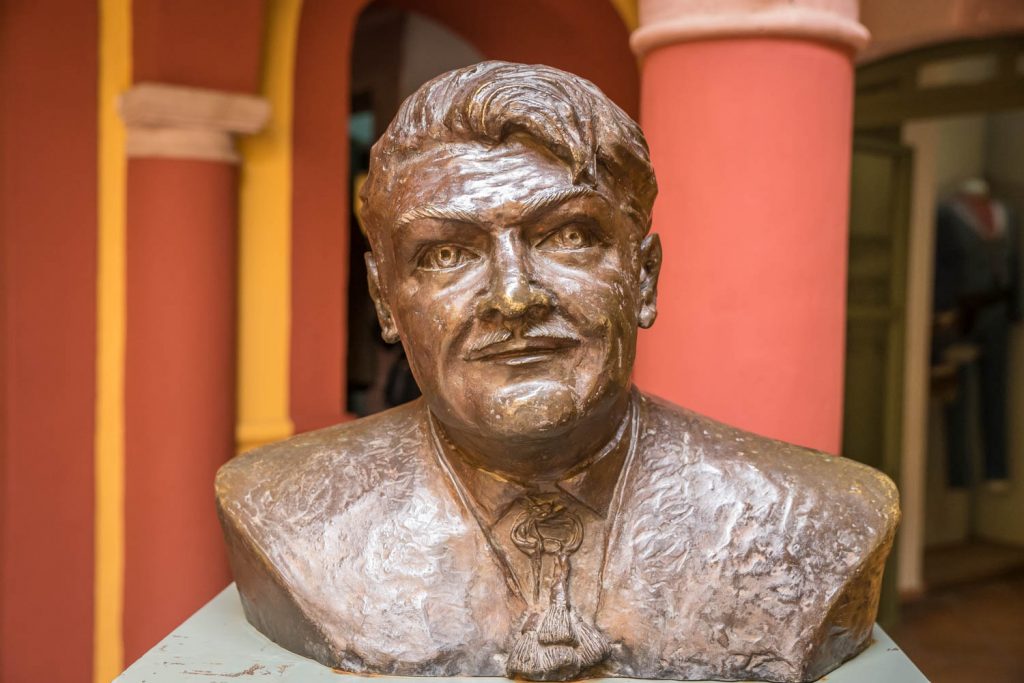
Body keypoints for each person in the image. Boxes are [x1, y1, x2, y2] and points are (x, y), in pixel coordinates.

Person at [216, 61, 898, 683]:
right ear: (385, 299)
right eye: (448, 254)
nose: (514, 297)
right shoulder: (288, 513)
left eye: (568, 237)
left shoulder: (811, 520)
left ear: (644, 276)